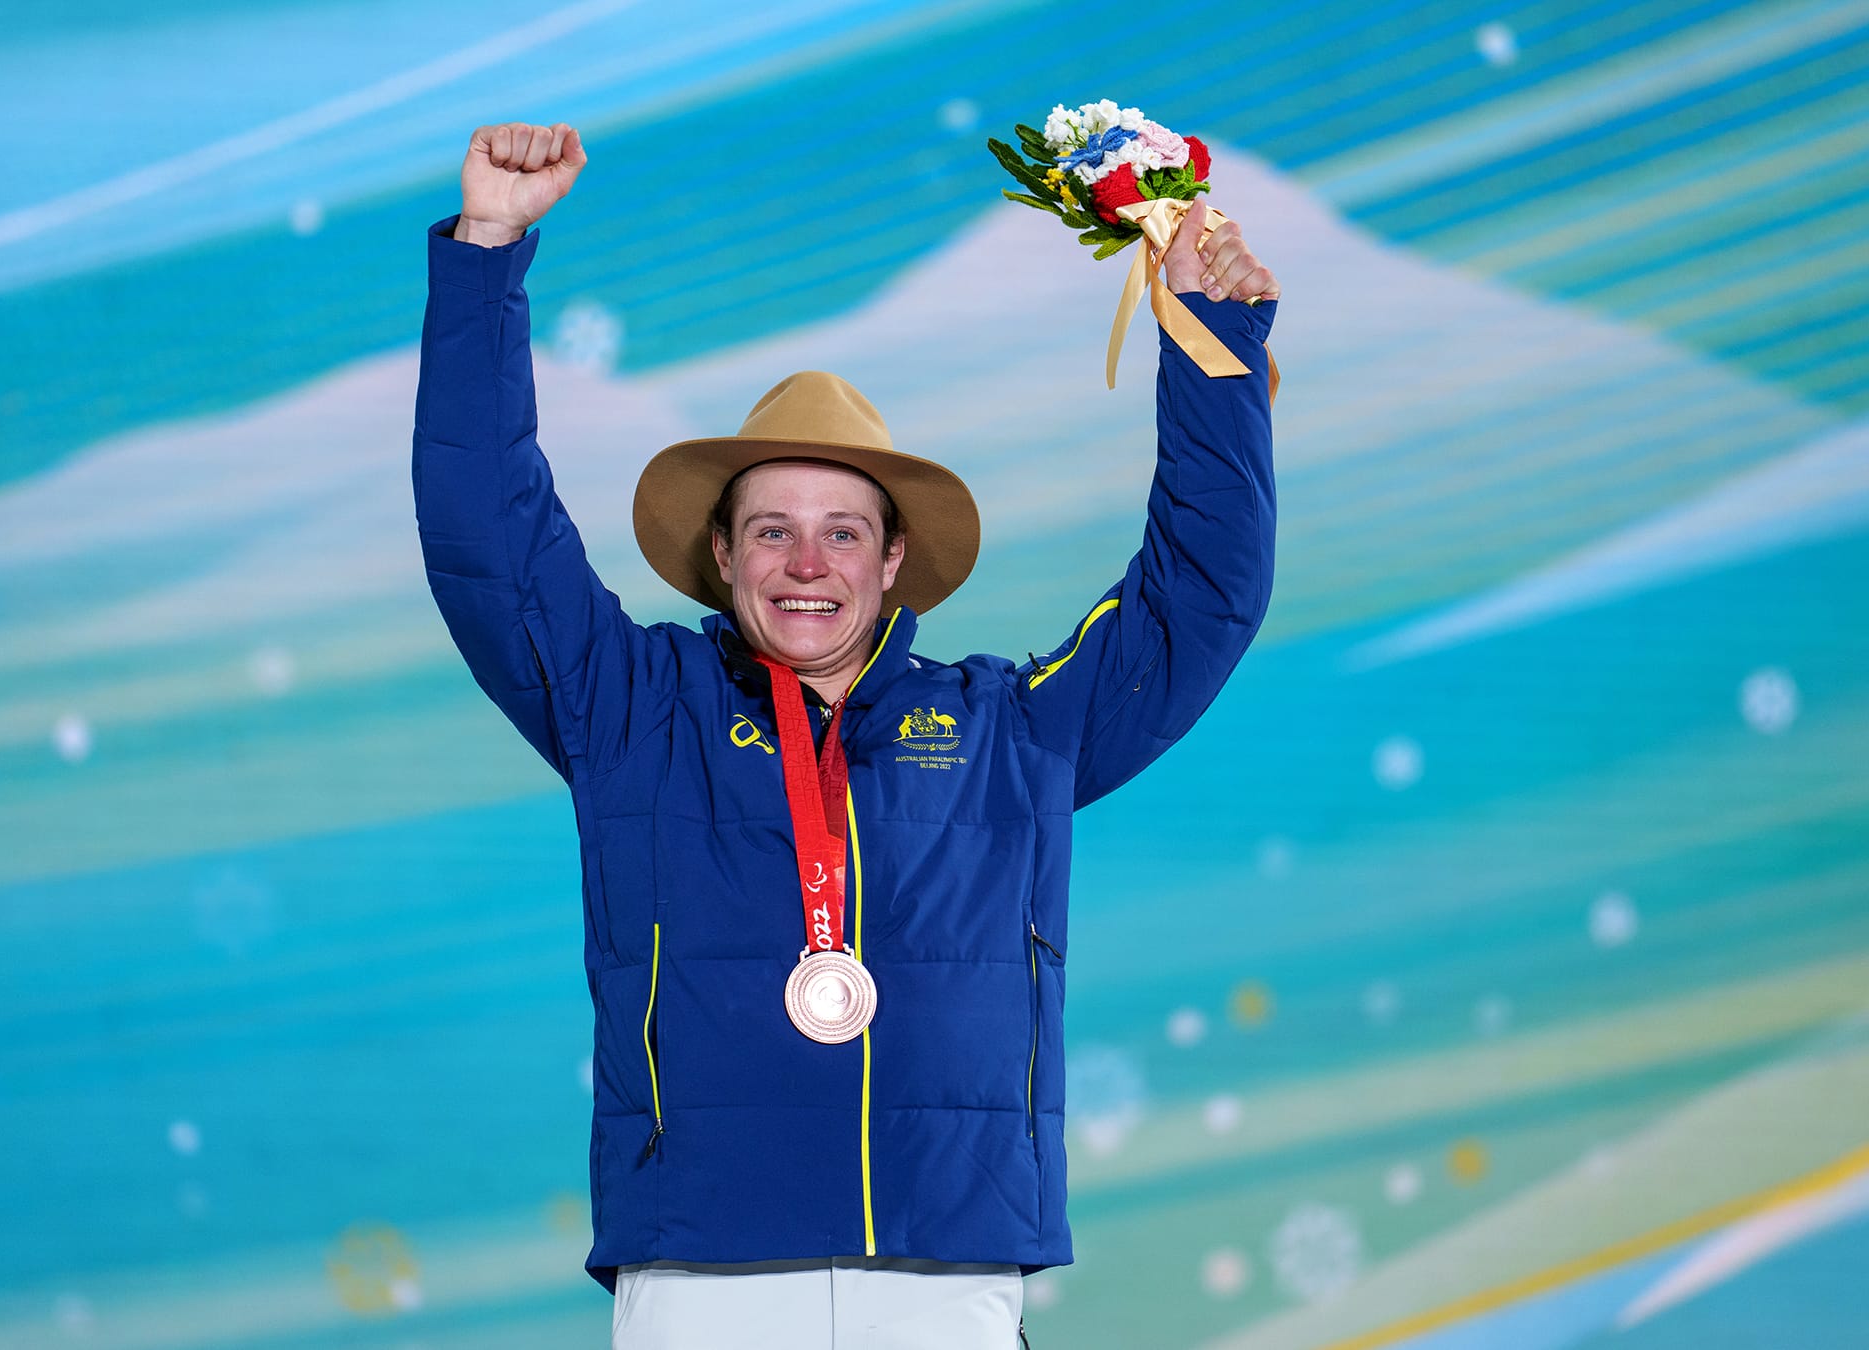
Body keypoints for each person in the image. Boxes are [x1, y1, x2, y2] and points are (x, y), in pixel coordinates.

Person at [413, 120, 1278, 1349]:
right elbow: (486, 538)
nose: (805, 562)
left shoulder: (1008, 730)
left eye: (841, 530)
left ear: (893, 561)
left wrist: (1206, 344)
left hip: (946, 1278)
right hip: (702, 1277)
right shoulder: (633, 709)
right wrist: (488, 252)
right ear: (720, 558)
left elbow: (1200, 594)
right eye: (769, 529)